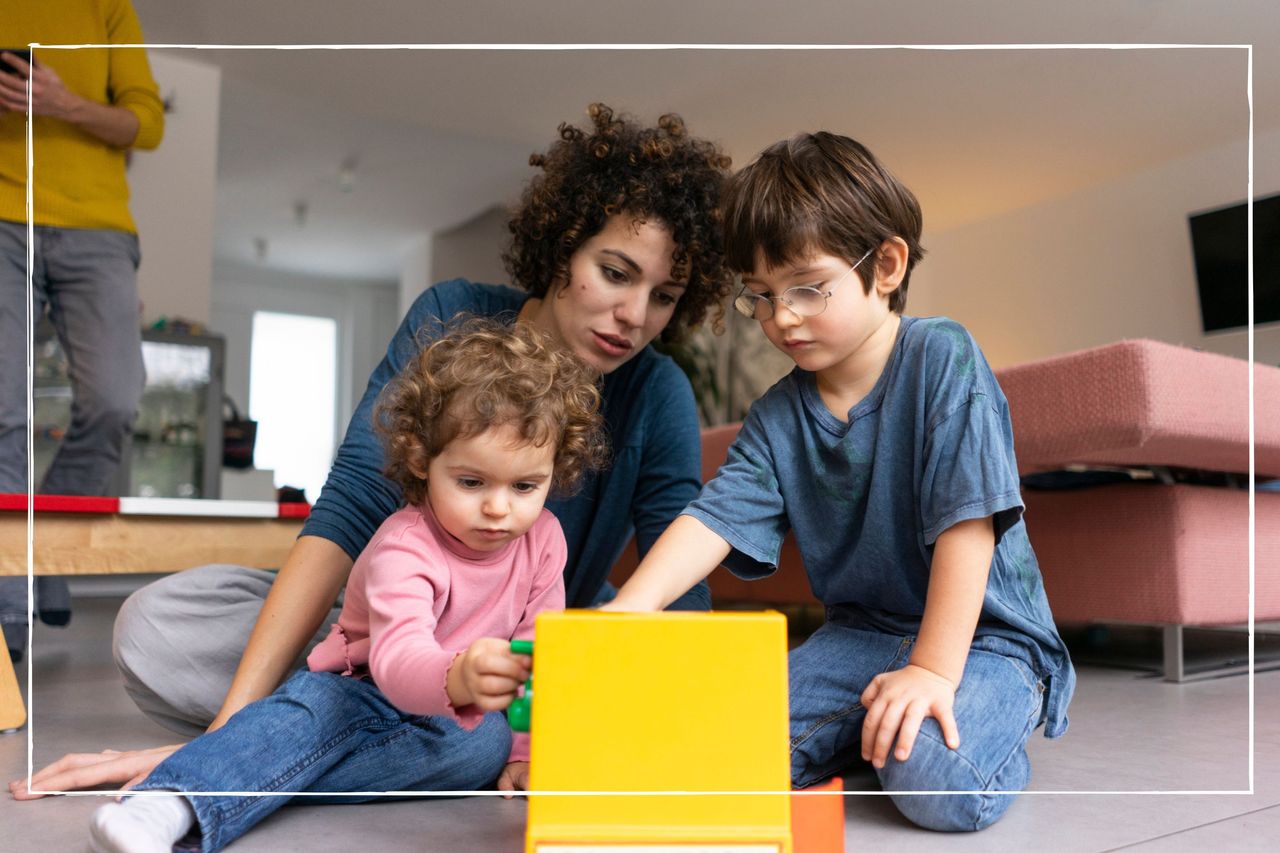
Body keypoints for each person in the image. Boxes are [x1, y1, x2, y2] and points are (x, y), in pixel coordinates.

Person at [10, 103, 731, 797]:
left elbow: (681, 587)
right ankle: (314, 735)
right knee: (154, 627)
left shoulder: (657, 391)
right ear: (563, 243)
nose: (636, 316)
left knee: (536, 696)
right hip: (389, 628)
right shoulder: (449, 315)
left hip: (518, 666)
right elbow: (352, 506)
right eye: (615, 272)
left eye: (665, 296)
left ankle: (309, 739)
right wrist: (225, 730)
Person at [602, 132, 1076, 832]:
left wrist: (934, 671)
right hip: (859, 636)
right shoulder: (776, 415)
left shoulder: (942, 356)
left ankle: (968, 725)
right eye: (759, 297)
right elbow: (714, 517)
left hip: (985, 641)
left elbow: (967, 526)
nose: (781, 317)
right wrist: (630, 610)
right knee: (721, 746)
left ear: (885, 264)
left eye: (806, 288)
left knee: (932, 779)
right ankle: (869, 726)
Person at [86, 319, 608, 852]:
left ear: (554, 470)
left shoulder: (545, 541)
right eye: (471, 483)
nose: (499, 508)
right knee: (310, 714)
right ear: (421, 462)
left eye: (525, 486)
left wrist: (523, 753)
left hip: (452, 719)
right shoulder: (405, 543)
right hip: (362, 689)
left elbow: (539, 662)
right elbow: (398, 661)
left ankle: (252, 776)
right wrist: (459, 676)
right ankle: (169, 803)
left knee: (483, 745)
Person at [0, 1, 165, 662]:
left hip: (98, 226)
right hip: (4, 216)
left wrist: (64, 103)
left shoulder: (106, 6)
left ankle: (46, 548)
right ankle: (8, 608)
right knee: (3, 411)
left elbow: (145, 124)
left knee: (116, 399)